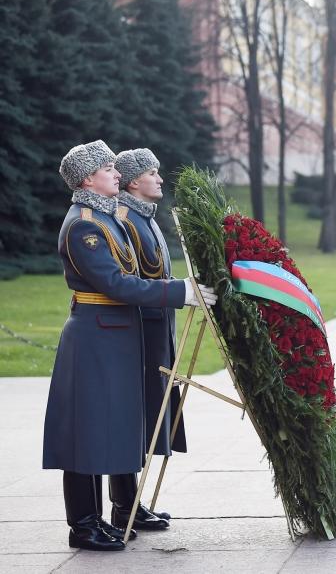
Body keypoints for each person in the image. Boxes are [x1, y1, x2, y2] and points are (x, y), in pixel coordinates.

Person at [43, 140, 217, 552]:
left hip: (115, 337)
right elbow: (117, 284)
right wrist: (180, 293)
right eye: (108, 168)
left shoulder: (105, 217)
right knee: (86, 432)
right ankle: (83, 525)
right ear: (88, 178)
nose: (116, 173)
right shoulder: (85, 224)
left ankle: (107, 515)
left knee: (112, 427)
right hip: (95, 337)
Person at [112, 148, 186, 531]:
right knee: (135, 416)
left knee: (146, 416)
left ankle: (130, 502)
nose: (159, 179)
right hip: (140, 330)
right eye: (152, 174)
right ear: (133, 181)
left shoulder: (145, 218)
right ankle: (124, 506)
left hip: (158, 327)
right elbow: (133, 283)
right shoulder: (125, 219)